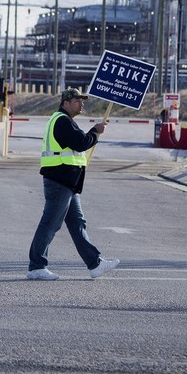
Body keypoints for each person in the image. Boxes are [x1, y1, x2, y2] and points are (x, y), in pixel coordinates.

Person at [27, 87, 119, 281]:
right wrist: (95, 131)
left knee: (78, 224)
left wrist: (92, 133)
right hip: (59, 180)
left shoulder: (66, 121)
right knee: (50, 224)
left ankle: (95, 264)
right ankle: (36, 266)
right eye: (77, 100)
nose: (81, 103)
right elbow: (80, 143)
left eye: (82, 100)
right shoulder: (61, 121)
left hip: (68, 182)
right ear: (65, 103)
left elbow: (78, 143)